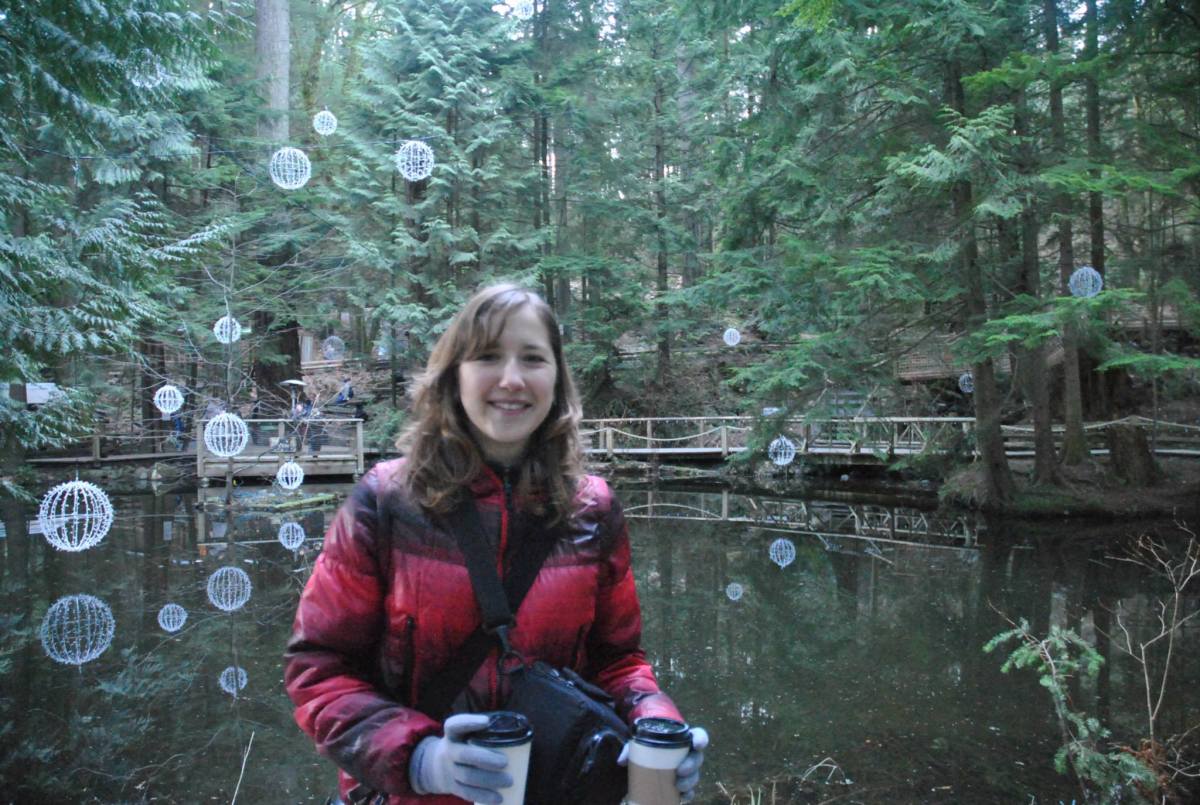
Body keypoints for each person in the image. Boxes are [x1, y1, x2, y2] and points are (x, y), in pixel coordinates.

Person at [284, 284, 707, 805]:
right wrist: (419, 759)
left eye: (532, 358)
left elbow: (619, 661)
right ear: (454, 374)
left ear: (556, 377)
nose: (511, 379)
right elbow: (318, 669)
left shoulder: (593, 510)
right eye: (487, 357)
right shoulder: (386, 502)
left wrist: (658, 727)